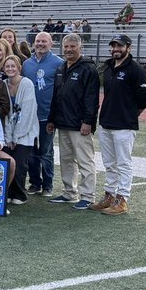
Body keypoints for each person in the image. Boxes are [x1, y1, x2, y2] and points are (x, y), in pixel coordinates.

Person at [91, 33, 146, 215]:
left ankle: (122, 199)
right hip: (106, 122)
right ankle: (109, 195)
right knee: (109, 163)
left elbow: (144, 98)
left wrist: (130, 113)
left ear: (128, 48)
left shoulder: (135, 69)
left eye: (120, 46)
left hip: (124, 125)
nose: (116, 49)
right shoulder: (108, 67)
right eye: (114, 46)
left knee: (123, 163)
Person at [47, 34, 99, 209]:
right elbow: (56, 96)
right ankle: (70, 192)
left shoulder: (88, 69)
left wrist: (88, 121)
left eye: (72, 47)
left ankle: (88, 196)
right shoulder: (62, 68)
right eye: (66, 46)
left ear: (80, 48)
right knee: (66, 160)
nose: (68, 50)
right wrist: (52, 118)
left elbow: (92, 98)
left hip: (79, 124)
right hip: (63, 122)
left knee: (85, 161)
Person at [22, 31, 62, 197]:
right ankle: (34, 183)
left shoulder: (59, 63)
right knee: (31, 152)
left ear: (51, 44)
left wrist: (56, 114)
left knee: (46, 152)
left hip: (47, 115)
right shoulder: (26, 64)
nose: (40, 44)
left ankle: (48, 184)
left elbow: (60, 90)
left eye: (44, 41)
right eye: (38, 41)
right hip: (30, 115)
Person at [1, 54, 37, 202]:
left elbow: (27, 113)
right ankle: (8, 193)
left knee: (20, 163)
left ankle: (19, 194)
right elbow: (6, 114)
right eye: (7, 66)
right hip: (8, 133)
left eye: (13, 66)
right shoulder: (2, 84)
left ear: (19, 68)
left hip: (25, 132)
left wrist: (16, 137)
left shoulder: (27, 84)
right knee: (8, 162)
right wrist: (9, 137)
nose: (10, 69)